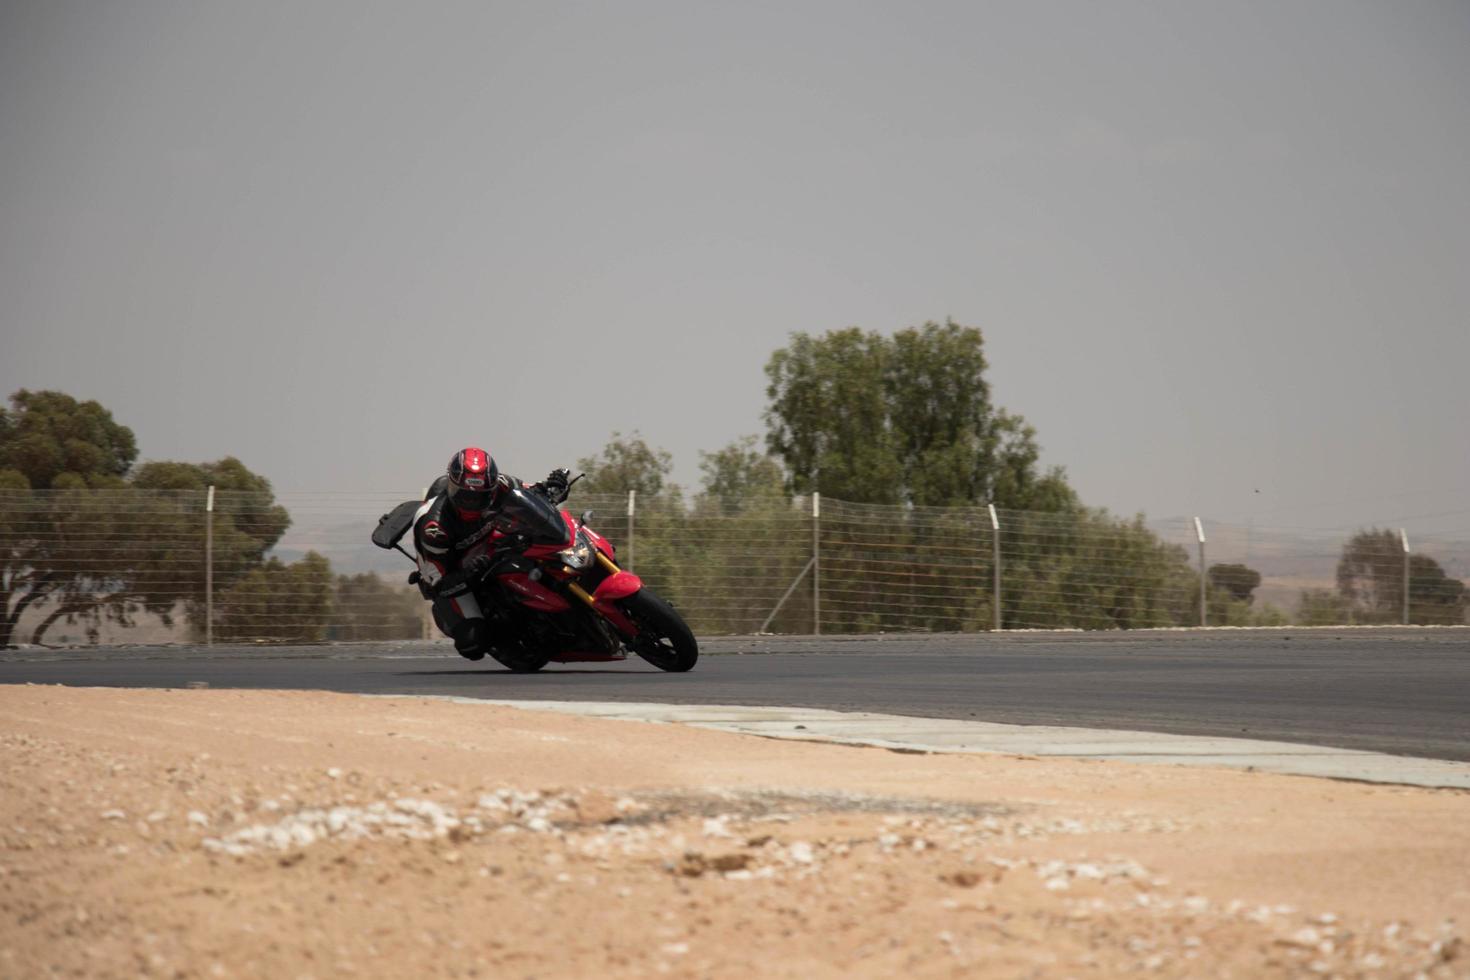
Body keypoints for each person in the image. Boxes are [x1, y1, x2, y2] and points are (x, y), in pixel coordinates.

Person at [412, 447, 571, 660]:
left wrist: (554, 487)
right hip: (454, 570)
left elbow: (532, 495)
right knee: (473, 641)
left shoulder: (501, 485)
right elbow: (439, 585)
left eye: (480, 497)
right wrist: (468, 572)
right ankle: (507, 637)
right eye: (465, 496)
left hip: (493, 545)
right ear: (452, 488)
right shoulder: (434, 527)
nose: (473, 504)